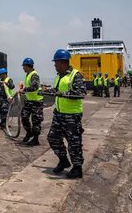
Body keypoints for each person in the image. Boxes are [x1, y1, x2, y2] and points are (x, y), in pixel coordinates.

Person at [45, 49, 87, 178]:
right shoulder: (59, 76)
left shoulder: (76, 75)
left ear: (62, 62)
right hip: (59, 114)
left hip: (72, 116)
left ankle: (77, 168)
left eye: (55, 62)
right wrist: (49, 91)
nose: (54, 65)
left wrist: (62, 94)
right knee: (52, 138)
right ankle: (63, 160)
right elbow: (58, 89)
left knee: (73, 142)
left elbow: (81, 93)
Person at [18, 57, 43, 146]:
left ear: (27, 66)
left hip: (36, 102)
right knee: (24, 117)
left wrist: (24, 90)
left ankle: (36, 140)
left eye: (23, 66)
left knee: (36, 121)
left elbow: (34, 87)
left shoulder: (34, 75)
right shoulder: (28, 75)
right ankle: (29, 133)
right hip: (29, 101)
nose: (23, 68)